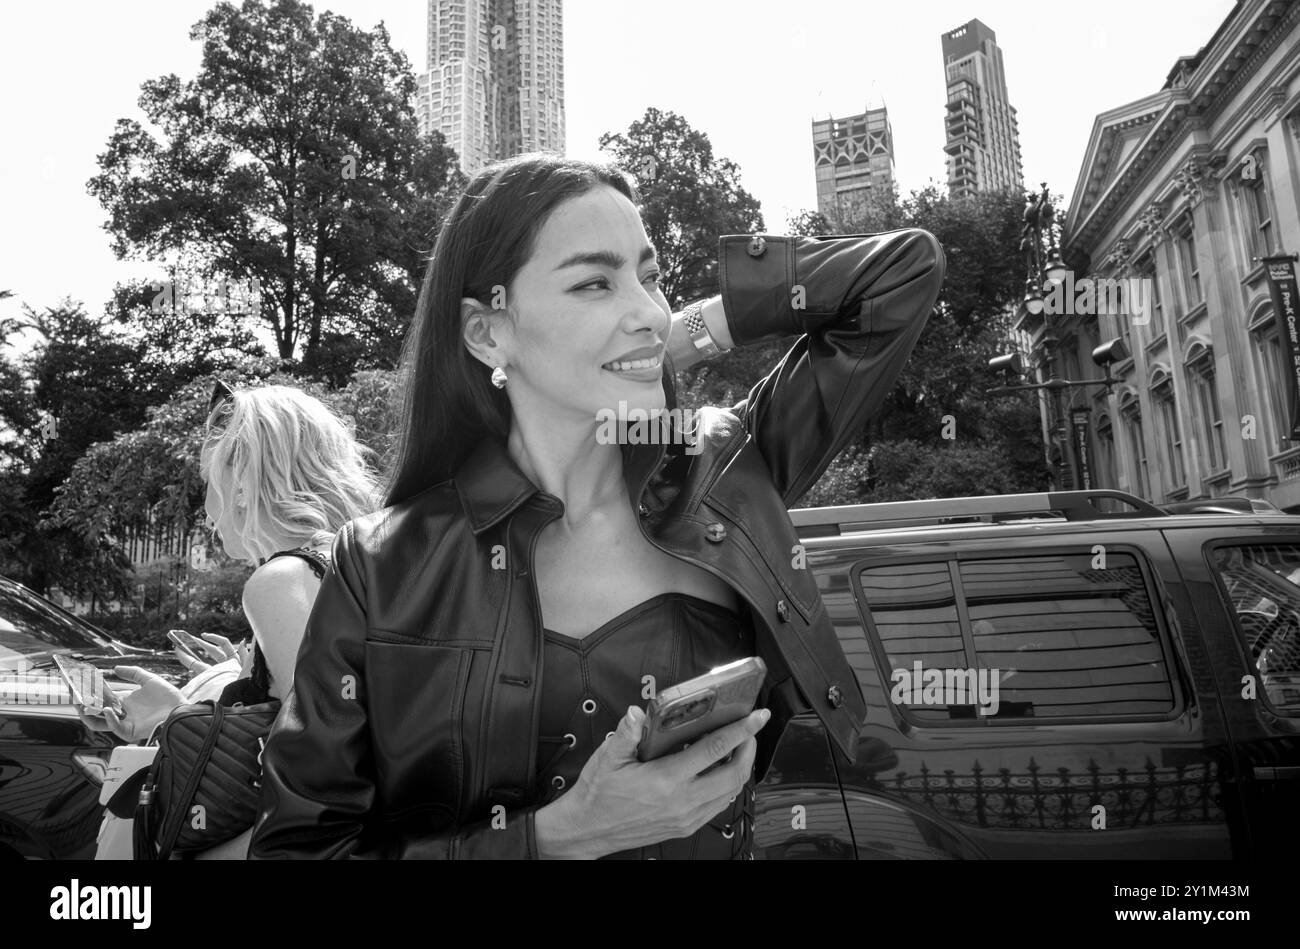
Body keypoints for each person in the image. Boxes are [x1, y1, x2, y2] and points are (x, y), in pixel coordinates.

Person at [251, 153, 945, 860]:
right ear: (489, 333)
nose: (648, 310)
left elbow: (901, 276)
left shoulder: (725, 472)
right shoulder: (377, 566)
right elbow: (295, 851)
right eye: (593, 282)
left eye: (650, 277)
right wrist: (551, 839)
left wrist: (678, 336)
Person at [85, 382, 380, 859]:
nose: (206, 511)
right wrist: (174, 714)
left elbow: (324, 790)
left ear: (241, 481)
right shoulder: (360, 560)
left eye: (210, 483)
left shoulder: (282, 580)